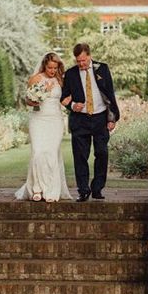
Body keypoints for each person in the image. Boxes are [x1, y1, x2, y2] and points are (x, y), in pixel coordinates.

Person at [60, 43, 120, 202]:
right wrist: (73, 105)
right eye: (78, 61)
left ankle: (97, 188)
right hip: (80, 120)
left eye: (84, 60)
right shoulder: (70, 74)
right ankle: (83, 190)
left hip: (100, 117)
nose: (81, 64)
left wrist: (112, 118)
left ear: (89, 56)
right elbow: (64, 97)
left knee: (102, 153)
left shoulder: (103, 69)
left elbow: (110, 95)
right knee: (80, 156)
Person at [15, 53, 72, 202]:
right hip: (38, 119)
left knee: (52, 153)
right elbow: (28, 100)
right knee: (38, 152)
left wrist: (69, 100)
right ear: (44, 65)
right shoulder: (36, 78)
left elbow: (66, 98)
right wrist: (36, 99)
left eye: (55, 67)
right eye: (50, 67)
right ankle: (37, 189)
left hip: (55, 120)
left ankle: (51, 190)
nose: (52, 70)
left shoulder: (60, 80)